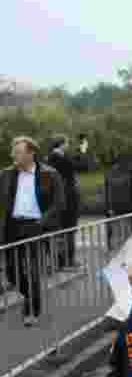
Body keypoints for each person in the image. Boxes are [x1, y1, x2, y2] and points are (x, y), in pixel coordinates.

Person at [0, 136, 66, 327]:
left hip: (36, 226)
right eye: (14, 151)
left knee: (33, 269)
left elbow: (59, 203)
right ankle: (30, 297)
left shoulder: (49, 174)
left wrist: (42, 221)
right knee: (12, 273)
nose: (14, 155)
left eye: (18, 152)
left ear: (30, 153)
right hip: (12, 226)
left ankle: (32, 310)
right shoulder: (6, 174)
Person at [47, 134, 92, 270]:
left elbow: (73, 161)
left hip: (59, 199)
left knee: (62, 231)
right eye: (66, 143)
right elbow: (82, 166)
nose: (68, 146)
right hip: (67, 199)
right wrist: (83, 151)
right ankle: (66, 262)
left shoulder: (52, 158)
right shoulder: (59, 159)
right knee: (69, 230)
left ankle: (62, 261)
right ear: (61, 144)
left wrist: (80, 151)